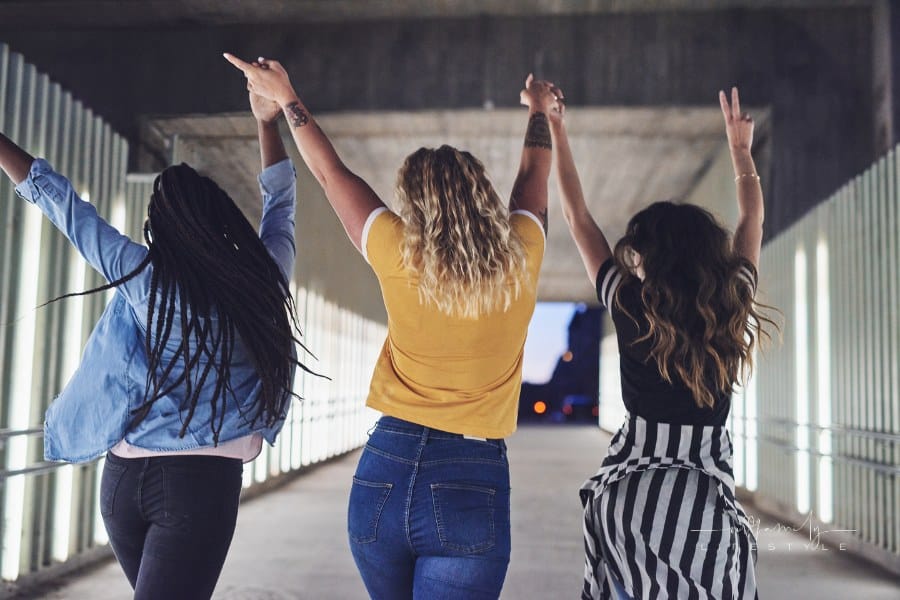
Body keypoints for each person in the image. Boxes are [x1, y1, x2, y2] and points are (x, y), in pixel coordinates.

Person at [224, 53, 559, 599]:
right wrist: (539, 109)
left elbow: (331, 173)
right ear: (481, 196)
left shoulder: (398, 251)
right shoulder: (521, 254)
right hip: (471, 475)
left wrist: (288, 101)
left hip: (384, 467)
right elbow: (533, 172)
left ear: (414, 203)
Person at [0, 84, 307, 599]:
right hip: (199, 488)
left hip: (122, 481)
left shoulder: (144, 276)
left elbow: (62, 203)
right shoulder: (264, 279)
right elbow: (282, 202)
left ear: (158, 229)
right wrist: (267, 122)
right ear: (219, 220)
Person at [553, 87, 774, 599]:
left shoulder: (634, 309)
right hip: (703, 513)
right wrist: (740, 151)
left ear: (646, 257)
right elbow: (751, 222)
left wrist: (557, 130)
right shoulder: (728, 306)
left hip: (626, 506)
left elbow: (578, 218)